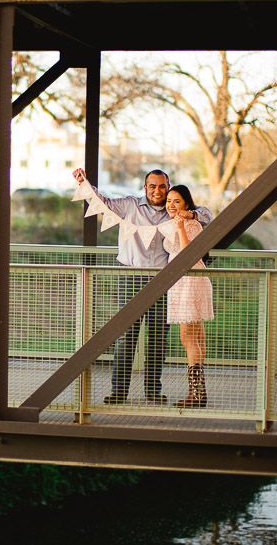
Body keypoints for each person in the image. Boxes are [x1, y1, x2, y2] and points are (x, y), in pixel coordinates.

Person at [72, 168, 212, 405]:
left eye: (162, 186)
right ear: (144, 187)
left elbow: (207, 215)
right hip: (130, 276)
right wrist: (83, 183)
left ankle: (152, 393)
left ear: (168, 186)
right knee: (126, 336)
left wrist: (189, 216)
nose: (157, 191)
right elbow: (101, 202)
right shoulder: (129, 206)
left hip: (164, 280)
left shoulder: (175, 210)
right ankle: (118, 392)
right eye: (152, 186)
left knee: (158, 337)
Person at [164, 184, 214, 408]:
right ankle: (199, 392)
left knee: (189, 338)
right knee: (196, 338)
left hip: (190, 281)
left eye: (176, 201)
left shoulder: (191, 224)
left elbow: (188, 253)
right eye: (168, 201)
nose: (171, 205)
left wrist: (182, 227)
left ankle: (196, 394)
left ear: (186, 204)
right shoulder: (174, 222)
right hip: (182, 282)